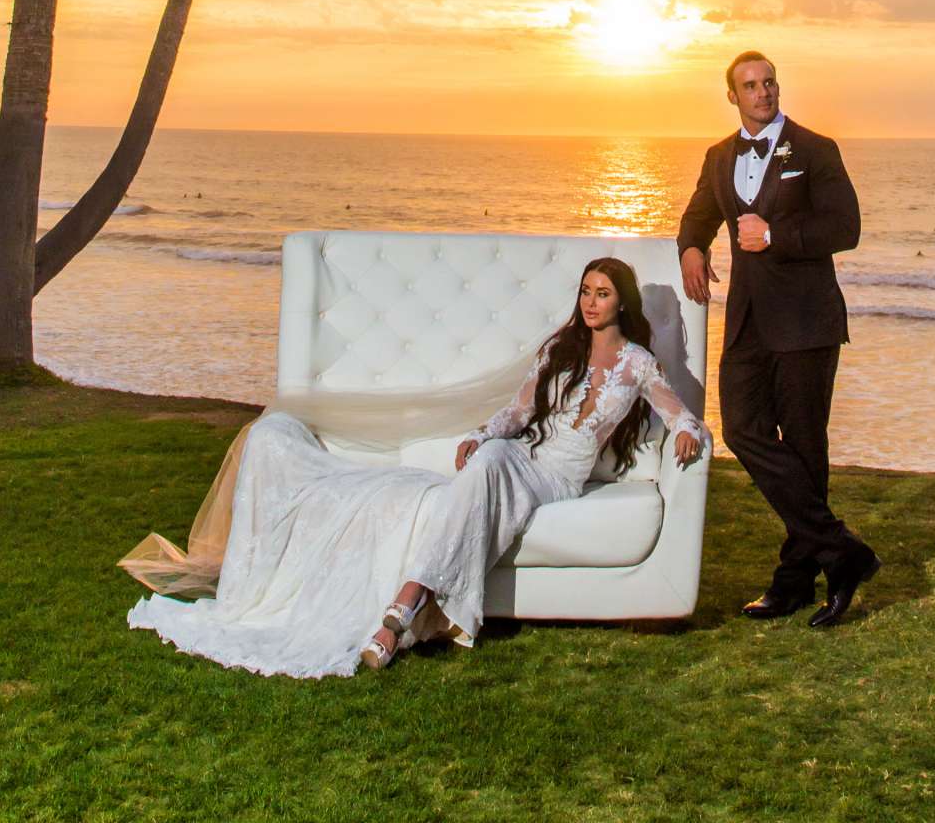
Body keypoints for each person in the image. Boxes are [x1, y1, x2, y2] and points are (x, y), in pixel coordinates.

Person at [125, 256, 709, 678]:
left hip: (557, 477)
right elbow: (516, 411)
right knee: (491, 459)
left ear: (622, 301)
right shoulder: (562, 348)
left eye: (602, 292)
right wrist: (481, 434)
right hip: (518, 456)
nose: (589, 301)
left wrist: (686, 434)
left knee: (492, 467)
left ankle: (400, 613)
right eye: (584, 290)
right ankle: (404, 609)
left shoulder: (636, 364)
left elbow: (679, 413)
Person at [677, 50, 878, 628]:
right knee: (741, 429)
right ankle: (842, 553)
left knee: (807, 447)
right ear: (732, 96)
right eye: (751, 85)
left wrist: (777, 234)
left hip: (807, 321)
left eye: (769, 82)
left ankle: (792, 581)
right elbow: (697, 217)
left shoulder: (816, 150)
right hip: (747, 323)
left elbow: (847, 228)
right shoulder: (719, 157)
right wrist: (692, 248)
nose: (763, 92)